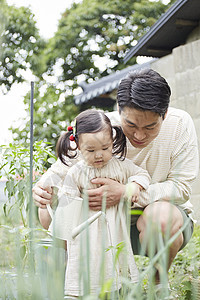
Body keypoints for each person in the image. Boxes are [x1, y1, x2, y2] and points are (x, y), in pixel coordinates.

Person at [34, 68, 199, 287]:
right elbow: (63, 168)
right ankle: (91, 283)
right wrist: (42, 188)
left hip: (160, 222)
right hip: (104, 224)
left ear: (165, 114)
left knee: (159, 217)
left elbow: (182, 188)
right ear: (119, 110)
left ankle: (158, 283)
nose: (139, 135)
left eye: (150, 127)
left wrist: (126, 193)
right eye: (131, 125)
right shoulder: (101, 127)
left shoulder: (180, 125)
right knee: (63, 210)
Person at [38, 109, 151, 298]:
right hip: (86, 231)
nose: (99, 155)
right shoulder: (76, 172)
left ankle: (123, 292)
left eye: (105, 148)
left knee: (117, 261)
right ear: (78, 147)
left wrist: (133, 187)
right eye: (91, 151)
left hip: (115, 229)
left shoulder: (120, 165)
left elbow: (142, 174)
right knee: (86, 263)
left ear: (112, 141)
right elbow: (68, 201)